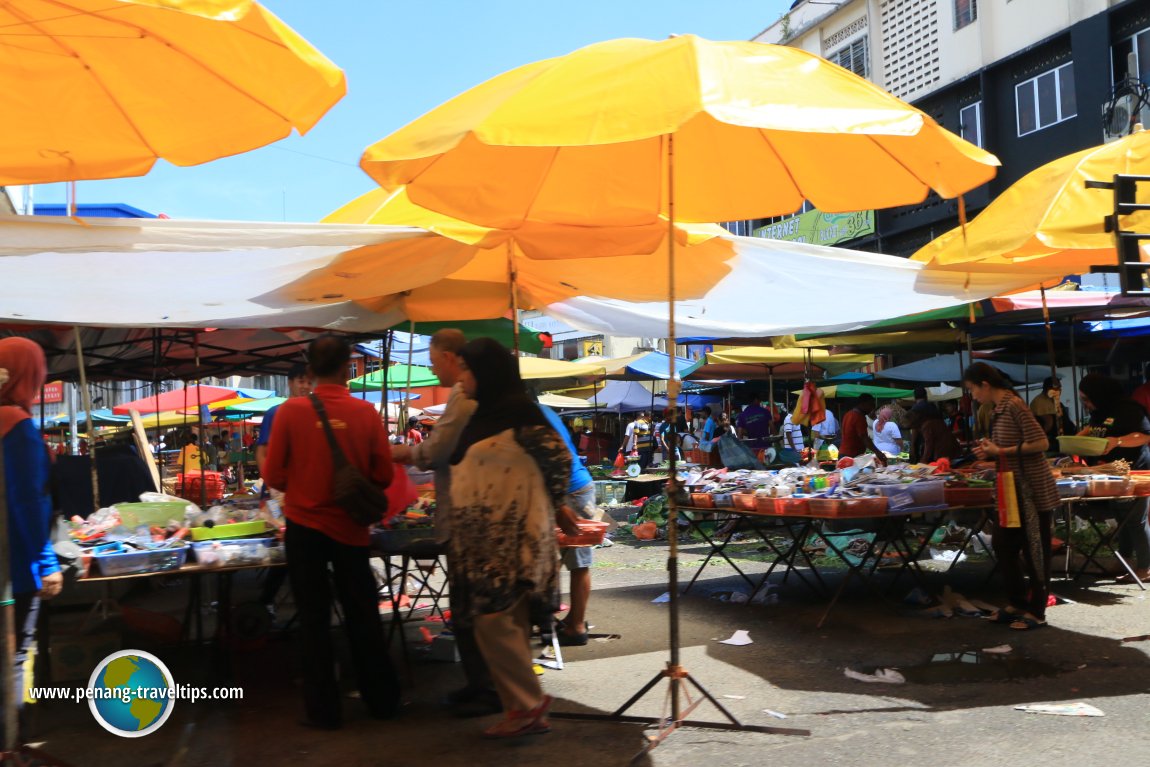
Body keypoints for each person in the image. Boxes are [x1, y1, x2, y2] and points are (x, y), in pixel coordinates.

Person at [263, 335, 400, 729]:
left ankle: (324, 712)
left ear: (309, 372)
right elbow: (384, 474)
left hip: (304, 528)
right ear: (348, 367)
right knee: (363, 614)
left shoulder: (290, 412)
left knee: (313, 619)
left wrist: (306, 482)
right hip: (351, 529)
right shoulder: (366, 413)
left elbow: (273, 475)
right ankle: (383, 702)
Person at [449, 338, 572, 738]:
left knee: (494, 621)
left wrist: (556, 506)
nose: (460, 376)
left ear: (488, 373)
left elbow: (559, 459)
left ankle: (527, 705)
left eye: (466, 369)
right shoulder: (484, 414)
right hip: (483, 541)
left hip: (509, 539)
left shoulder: (521, 415)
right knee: (506, 623)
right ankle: (522, 708)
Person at [390, 329, 490, 716]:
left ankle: (485, 688)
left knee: (470, 607)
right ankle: (477, 684)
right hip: (471, 509)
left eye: (433, 361)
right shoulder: (467, 394)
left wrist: (398, 453)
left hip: (468, 514)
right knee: (468, 605)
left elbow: (437, 450)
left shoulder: (463, 396)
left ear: (451, 357)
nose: (432, 369)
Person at [0, 338, 63, 745]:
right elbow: (28, 502)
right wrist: (47, 563)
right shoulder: (17, 426)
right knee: (13, 660)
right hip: (12, 568)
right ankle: (11, 746)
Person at [965, 362, 1058, 631]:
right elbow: (1005, 449)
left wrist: (1000, 451)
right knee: (1004, 546)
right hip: (1010, 491)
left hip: (1032, 491)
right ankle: (1016, 603)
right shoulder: (998, 409)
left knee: (1034, 550)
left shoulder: (1015, 405)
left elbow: (1042, 442)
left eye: (972, 389)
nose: (973, 396)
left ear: (985, 384)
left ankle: (1036, 611)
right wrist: (990, 453)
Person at [1077, 374, 1150, 583]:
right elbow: (1095, 430)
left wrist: (1117, 442)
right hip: (1109, 473)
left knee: (1136, 521)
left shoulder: (1129, 409)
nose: (1086, 403)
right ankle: (1125, 560)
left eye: (1087, 399)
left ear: (1100, 394)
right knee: (1122, 520)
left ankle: (1145, 567)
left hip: (1135, 472)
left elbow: (1145, 435)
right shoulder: (1101, 410)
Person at [255, 362, 313, 616]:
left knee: (304, 548)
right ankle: (267, 600)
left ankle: (307, 602)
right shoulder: (275, 413)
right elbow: (262, 451)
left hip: (308, 492)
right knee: (284, 547)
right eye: (301, 381)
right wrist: (271, 484)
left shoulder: (316, 412)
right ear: (290, 383)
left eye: (309, 382)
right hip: (280, 494)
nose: (305, 386)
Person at [538, 402, 596, 647]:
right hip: (572, 488)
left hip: (570, 490)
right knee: (571, 559)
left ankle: (576, 626)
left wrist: (560, 502)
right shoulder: (542, 410)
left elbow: (556, 456)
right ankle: (572, 620)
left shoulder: (530, 414)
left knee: (577, 560)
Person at [839, 394, 887, 466]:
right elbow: (864, 438)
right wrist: (878, 453)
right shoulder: (858, 417)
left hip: (844, 452)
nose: (872, 408)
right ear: (863, 404)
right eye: (871, 405)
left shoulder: (849, 414)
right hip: (852, 455)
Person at [1030, 376, 1064, 446]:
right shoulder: (1039, 402)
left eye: (1060, 388)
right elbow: (1049, 423)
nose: (1060, 390)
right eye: (1058, 388)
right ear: (1049, 389)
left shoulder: (1053, 400)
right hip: (1050, 440)